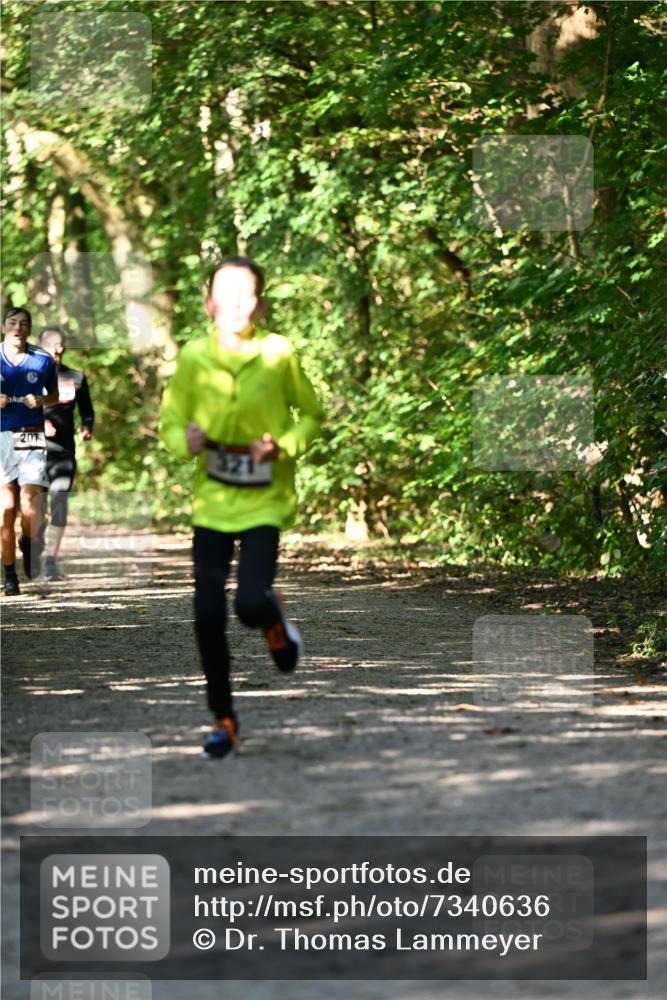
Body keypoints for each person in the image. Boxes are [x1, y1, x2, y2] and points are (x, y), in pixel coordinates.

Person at [159, 257, 324, 759]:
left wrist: (283, 446)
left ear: (259, 303)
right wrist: (184, 441)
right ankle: (223, 719)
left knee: (249, 604)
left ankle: (272, 621)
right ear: (209, 302)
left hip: (264, 498)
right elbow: (170, 423)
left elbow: (311, 415)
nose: (234, 302)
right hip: (212, 500)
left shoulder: (278, 352)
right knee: (207, 613)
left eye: (245, 293)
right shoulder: (194, 356)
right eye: (224, 293)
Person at [0, 307, 59, 595]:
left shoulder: (42, 359)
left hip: (30, 435)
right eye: (12, 323)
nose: (18, 328)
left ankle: (28, 539)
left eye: (24, 324)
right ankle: (10, 576)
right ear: (3, 327)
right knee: (5, 509)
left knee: (29, 505)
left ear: (29, 329)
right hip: (0, 438)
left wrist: (41, 400)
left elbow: (55, 395)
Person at [39, 326, 95, 582]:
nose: (57, 348)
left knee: (60, 501)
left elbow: (87, 411)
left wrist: (87, 427)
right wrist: (40, 423)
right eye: (52, 343)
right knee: (35, 508)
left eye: (60, 343)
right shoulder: (28, 376)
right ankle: (33, 543)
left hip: (63, 452)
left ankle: (50, 562)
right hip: (32, 451)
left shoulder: (76, 377)